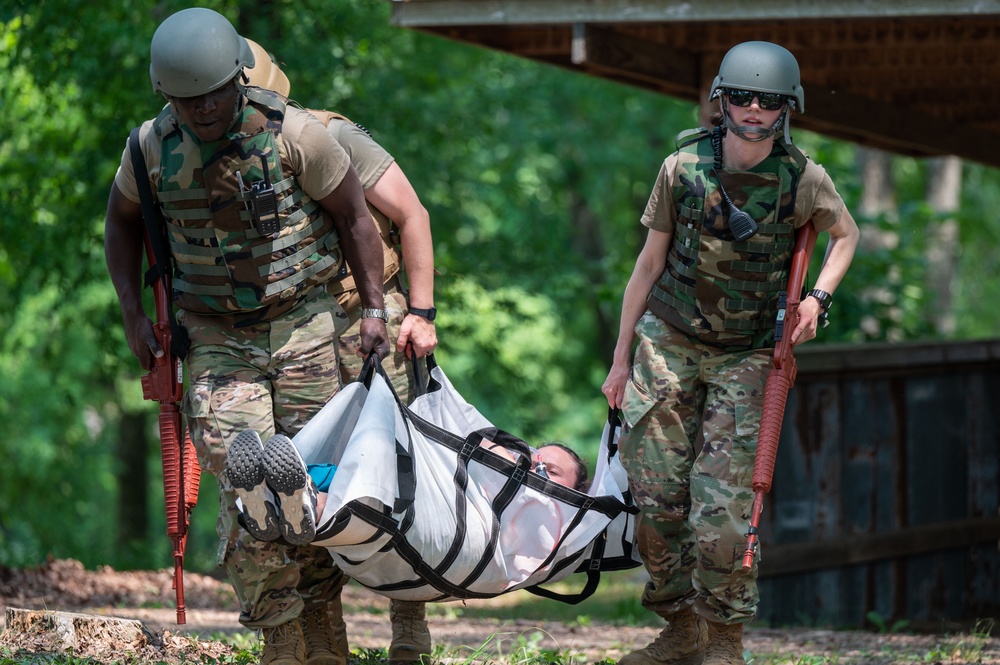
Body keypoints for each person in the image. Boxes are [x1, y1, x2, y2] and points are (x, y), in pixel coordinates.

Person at [103, 8, 391, 665]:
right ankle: (280, 633)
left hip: (304, 324)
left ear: (238, 77)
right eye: (187, 99)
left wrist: (373, 310)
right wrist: (132, 313)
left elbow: (354, 218)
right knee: (246, 477)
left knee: (310, 482)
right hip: (216, 335)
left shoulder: (297, 134)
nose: (203, 109)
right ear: (167, 97)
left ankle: (324, 624)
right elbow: (119, 224)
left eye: (214, 93)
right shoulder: (149, 148)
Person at [601, 41, 860, 665]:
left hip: (747, 355)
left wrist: (816, 300)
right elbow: (648, 265)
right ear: (722, 100)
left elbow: (846, 236)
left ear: (785, 110)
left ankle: (723, 639)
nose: (751, 110)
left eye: (766, 101)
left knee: (722, 516)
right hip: (668, 342)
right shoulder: (682, 166)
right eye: (740, 97)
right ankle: (679, 625)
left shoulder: (803, 178)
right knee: (657, 500)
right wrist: (618, 361)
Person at [243, 40, 439, 664]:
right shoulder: (225, 161)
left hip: (371, 318)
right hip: (300, 335)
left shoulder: (333, 138)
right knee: (307, 483)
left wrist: (423, 313)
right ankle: (326, 635)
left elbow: (411, 214)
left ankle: (409, 624)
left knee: (400, 472)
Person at [225, 429, 590, 548]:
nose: (537, 467)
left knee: (368, 492)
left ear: (572, 493)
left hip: (437, 514)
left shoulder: (548, 522)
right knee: (341, 473)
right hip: (427, 482)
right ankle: (278, 498)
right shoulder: (509, 463)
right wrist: (511, 455)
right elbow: (474, 444)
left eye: (551, 470)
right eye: (536, 457)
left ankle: (280, 502)